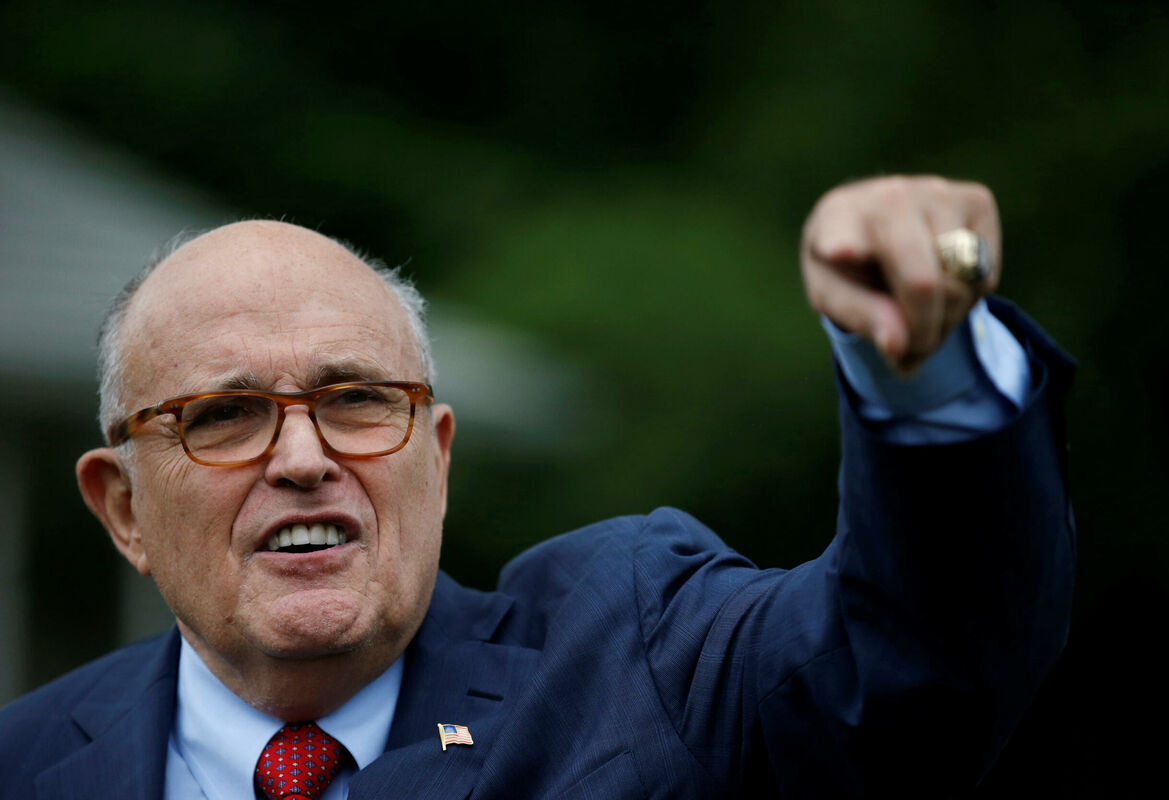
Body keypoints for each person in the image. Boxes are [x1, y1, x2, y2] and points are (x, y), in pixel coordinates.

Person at [0, 176, 1074, 798]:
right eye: (225, 415)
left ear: (438, 457)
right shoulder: (26, 763)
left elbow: (909, 665)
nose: (302, 457)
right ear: (124, 508)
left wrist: (927, 375)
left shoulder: (633, 655)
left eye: (358, 399)